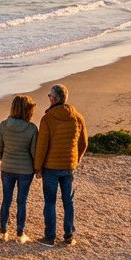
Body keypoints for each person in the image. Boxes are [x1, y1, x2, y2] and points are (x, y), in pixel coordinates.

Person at [35, 83, 88, 246]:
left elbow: (42, 146)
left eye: (49, 96)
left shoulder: (47, 119)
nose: (49, 98)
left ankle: (50, 237)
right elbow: (83, 143)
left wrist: (38, 167)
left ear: (54, 99)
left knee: (50, 202)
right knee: (68, 201)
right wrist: (76, 159)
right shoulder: (77, 117)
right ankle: (68, 235)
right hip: (68, 166)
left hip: (51, 167)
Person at [0, 94, 38, 242]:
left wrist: (4, 158)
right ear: (28, 110)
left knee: (6, 199)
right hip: (25, 170)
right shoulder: (32, 129)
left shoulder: (4, 125)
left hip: (7, 167)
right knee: (21, 201)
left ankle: (3, 232)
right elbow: (34, 152)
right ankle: (20, 233)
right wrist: (36, 167)